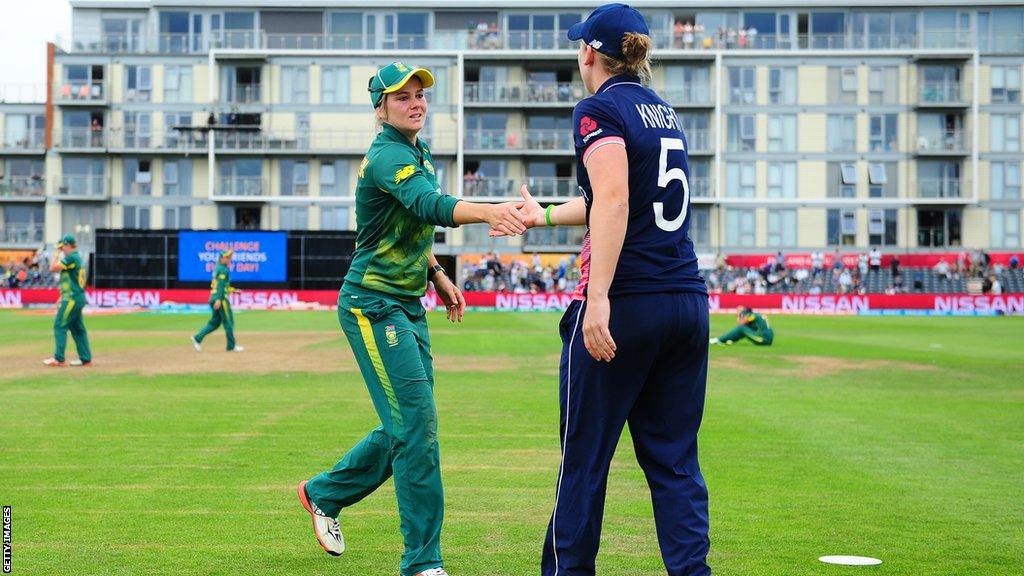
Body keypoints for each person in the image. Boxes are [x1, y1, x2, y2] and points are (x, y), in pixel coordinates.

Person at [496, 6, 711, 574]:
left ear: (589, 52)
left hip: (629, 304)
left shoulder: (597, 109)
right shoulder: (663, 111)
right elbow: (612, 200)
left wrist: (598, 299)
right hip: (685, 301)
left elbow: (614, 201)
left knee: (584, 464)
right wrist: (539, 213)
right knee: (675, 464)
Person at [296, 61, 526, 576]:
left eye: (421, 94)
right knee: (415, 427)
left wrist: (437, 274)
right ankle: (423, 563)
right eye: (403, 97)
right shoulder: (386, 156)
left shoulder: (416, 150)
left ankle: (323, 493)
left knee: (407, 422)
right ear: (381, 107)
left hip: (407, 303)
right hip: (372, 305)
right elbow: (428, 204)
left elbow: (409, 225)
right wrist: (489, 211)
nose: (416, 102)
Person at [43, 235, 92, 367]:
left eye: (62, 247)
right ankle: (85, 358)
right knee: (78, 329)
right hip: (76, 297)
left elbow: (53, 268)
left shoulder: (72, 257)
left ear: (68, 245)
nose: (61, 250)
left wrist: (55, 254)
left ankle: (58, 358)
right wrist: (61, 296)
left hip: (72, 298)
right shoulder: (76, 258)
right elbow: (70, 280)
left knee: (60, 325)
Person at [191, 250, 244, 352]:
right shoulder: (223, 269)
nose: (229, 259)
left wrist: (233, 290)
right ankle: (231, 346)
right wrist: (219, 299)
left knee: (214, 323)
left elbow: (223, 286)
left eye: (229, 257)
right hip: (221, 299)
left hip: (213, 298)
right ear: (221, 258)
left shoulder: (218, 268)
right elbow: (220, 285)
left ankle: (197, 338)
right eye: (227, 257)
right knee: (229, 322)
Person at [710, 306, 774, 346]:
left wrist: (738, 316)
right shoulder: (758, 315)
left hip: (762, 339)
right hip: (768, 340)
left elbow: (740, 324)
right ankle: (728, 340)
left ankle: (719, 340)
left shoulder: (751, 315)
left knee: (741, 328)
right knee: (745, 329)